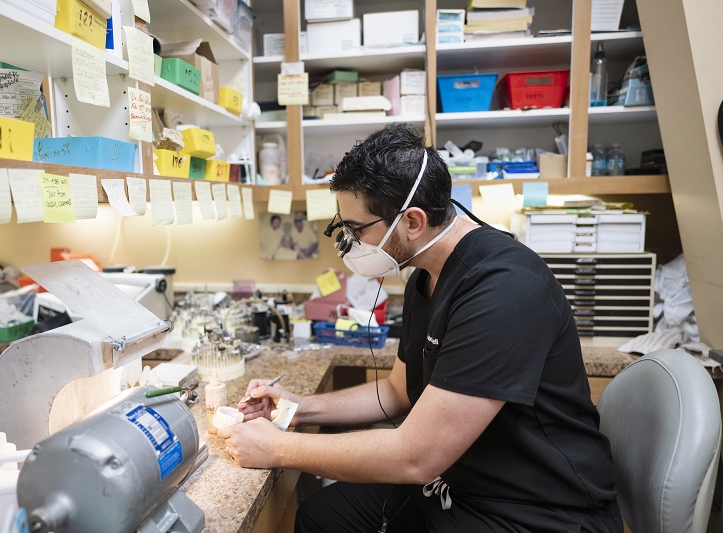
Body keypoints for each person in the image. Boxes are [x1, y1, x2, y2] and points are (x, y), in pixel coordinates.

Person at [220, 123, 622, 532]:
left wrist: (281, 449)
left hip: (535, 510)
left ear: (412, 221)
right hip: (460, 483)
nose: (349, 244)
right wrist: (300, 407)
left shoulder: (504, 288)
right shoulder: (425, 279)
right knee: (322, 518)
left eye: (356, 231)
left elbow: (417, 456)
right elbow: (397, 392)